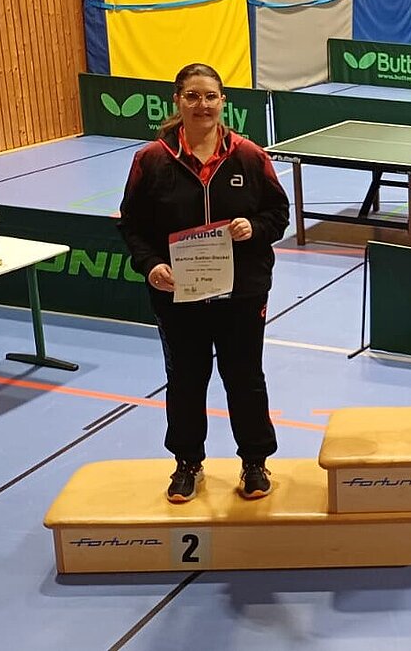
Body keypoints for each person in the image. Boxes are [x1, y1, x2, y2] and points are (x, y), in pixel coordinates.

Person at [118, 63, 290, 503]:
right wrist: (150, 265)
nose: (202, 105)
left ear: (223, 101)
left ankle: (255, 461)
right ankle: (187, 463)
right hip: (177, 294)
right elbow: (132, 225)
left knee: (244, 376)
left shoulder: (249, 156)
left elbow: (278, 214)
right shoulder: (152, 159)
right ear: (177, 100)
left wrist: (255, 227)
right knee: (185, 380)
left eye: (210, 96)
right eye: (192, 96)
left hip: (243, 292)